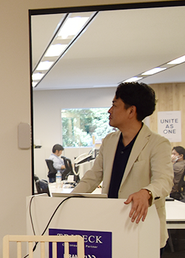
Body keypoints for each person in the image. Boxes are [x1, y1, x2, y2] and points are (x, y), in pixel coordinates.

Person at [71, 82, 172, 248]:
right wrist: (68, 199)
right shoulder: (109, 141)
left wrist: (147, 192)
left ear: (131, 111)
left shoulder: (158, 143)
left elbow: (164, 180)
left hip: (143, 228)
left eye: (114, 105)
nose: (109, 111)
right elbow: (93, 177)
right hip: (113, 226)